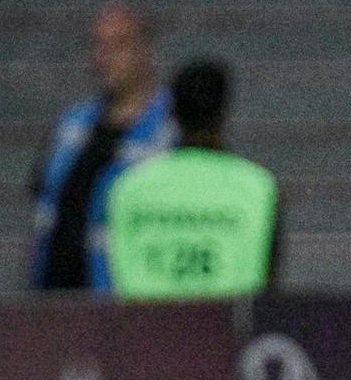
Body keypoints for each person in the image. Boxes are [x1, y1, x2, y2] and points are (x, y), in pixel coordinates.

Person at [106, 59, 281, 300]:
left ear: (173, 113)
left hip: (147, 333)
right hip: (224, 333)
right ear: (223, 111)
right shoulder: (257, 187)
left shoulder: (129, 187)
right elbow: (267, 287)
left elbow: (118, 278)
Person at [30, 4, 173, 293]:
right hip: (55, 294)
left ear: (145, 51)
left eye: (119, 45)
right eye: (99, 45)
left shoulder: (168, 131)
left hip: (123, 299)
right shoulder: (72, 126)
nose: (104, 58)